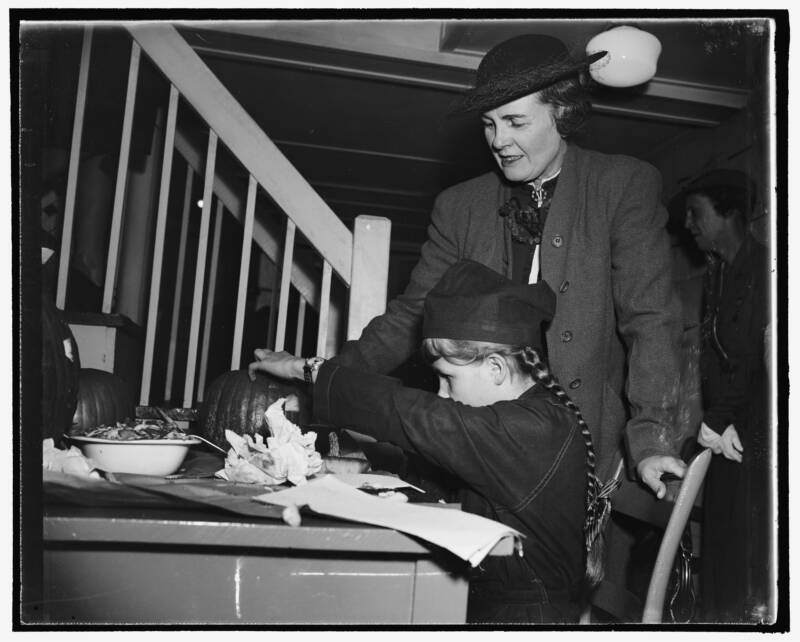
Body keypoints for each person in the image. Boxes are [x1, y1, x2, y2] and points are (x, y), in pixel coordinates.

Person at [251, 33, 687, 619]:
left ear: (563, 110)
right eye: (488, 124)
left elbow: (651, 317)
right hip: (473, 447)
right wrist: (329, 377)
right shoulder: (459, 206)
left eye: (515, 121)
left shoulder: (621, 185)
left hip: (583, 454)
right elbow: (409, 315)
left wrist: (654, 438)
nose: (499, 141)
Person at [249, 260, 618, 624]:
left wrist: (307, 369)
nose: (441, 395)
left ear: (496, 369)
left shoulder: (536, 428)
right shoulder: (523, 419)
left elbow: (419, 416)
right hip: (490, 602)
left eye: (447, 378)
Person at [683, 169, 772, 622]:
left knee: (743, 557)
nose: (688, 224)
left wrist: (719, 421)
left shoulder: (766, 270)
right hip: (725, 433)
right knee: (717, 549)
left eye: (696, 213)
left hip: (753, 440)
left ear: (730, 212)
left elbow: (757, 357)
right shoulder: (717, 276)